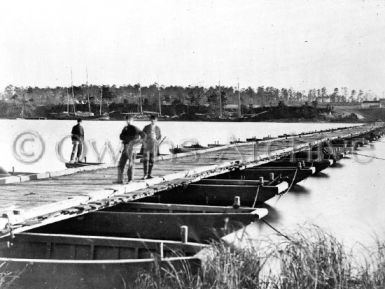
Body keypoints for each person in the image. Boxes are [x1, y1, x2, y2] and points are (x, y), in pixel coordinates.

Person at [117, 115, 144, 184]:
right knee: (121, 163)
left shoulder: (135, 128)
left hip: (132, 148)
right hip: (125, 147)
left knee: (131, 164)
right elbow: (121, 136)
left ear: (132, 121)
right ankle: (120, 179)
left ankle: (130, 179)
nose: (128, 121)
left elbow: (143, 135)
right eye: (127, 120)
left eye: (129, 120)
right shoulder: (125, 128)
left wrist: (137, 143)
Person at [142, 115, 162, 179]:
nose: (153, 121)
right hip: (147, 145)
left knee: (152, 160)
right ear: (150, 120)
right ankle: (145, 174)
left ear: (156, 121)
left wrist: (157, 140)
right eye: (152, 120)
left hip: (154, 146)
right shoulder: (146, 127)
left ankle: (149, 174)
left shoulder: (157, 128)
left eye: (154, 120)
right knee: (146, 160)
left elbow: (159, 137)